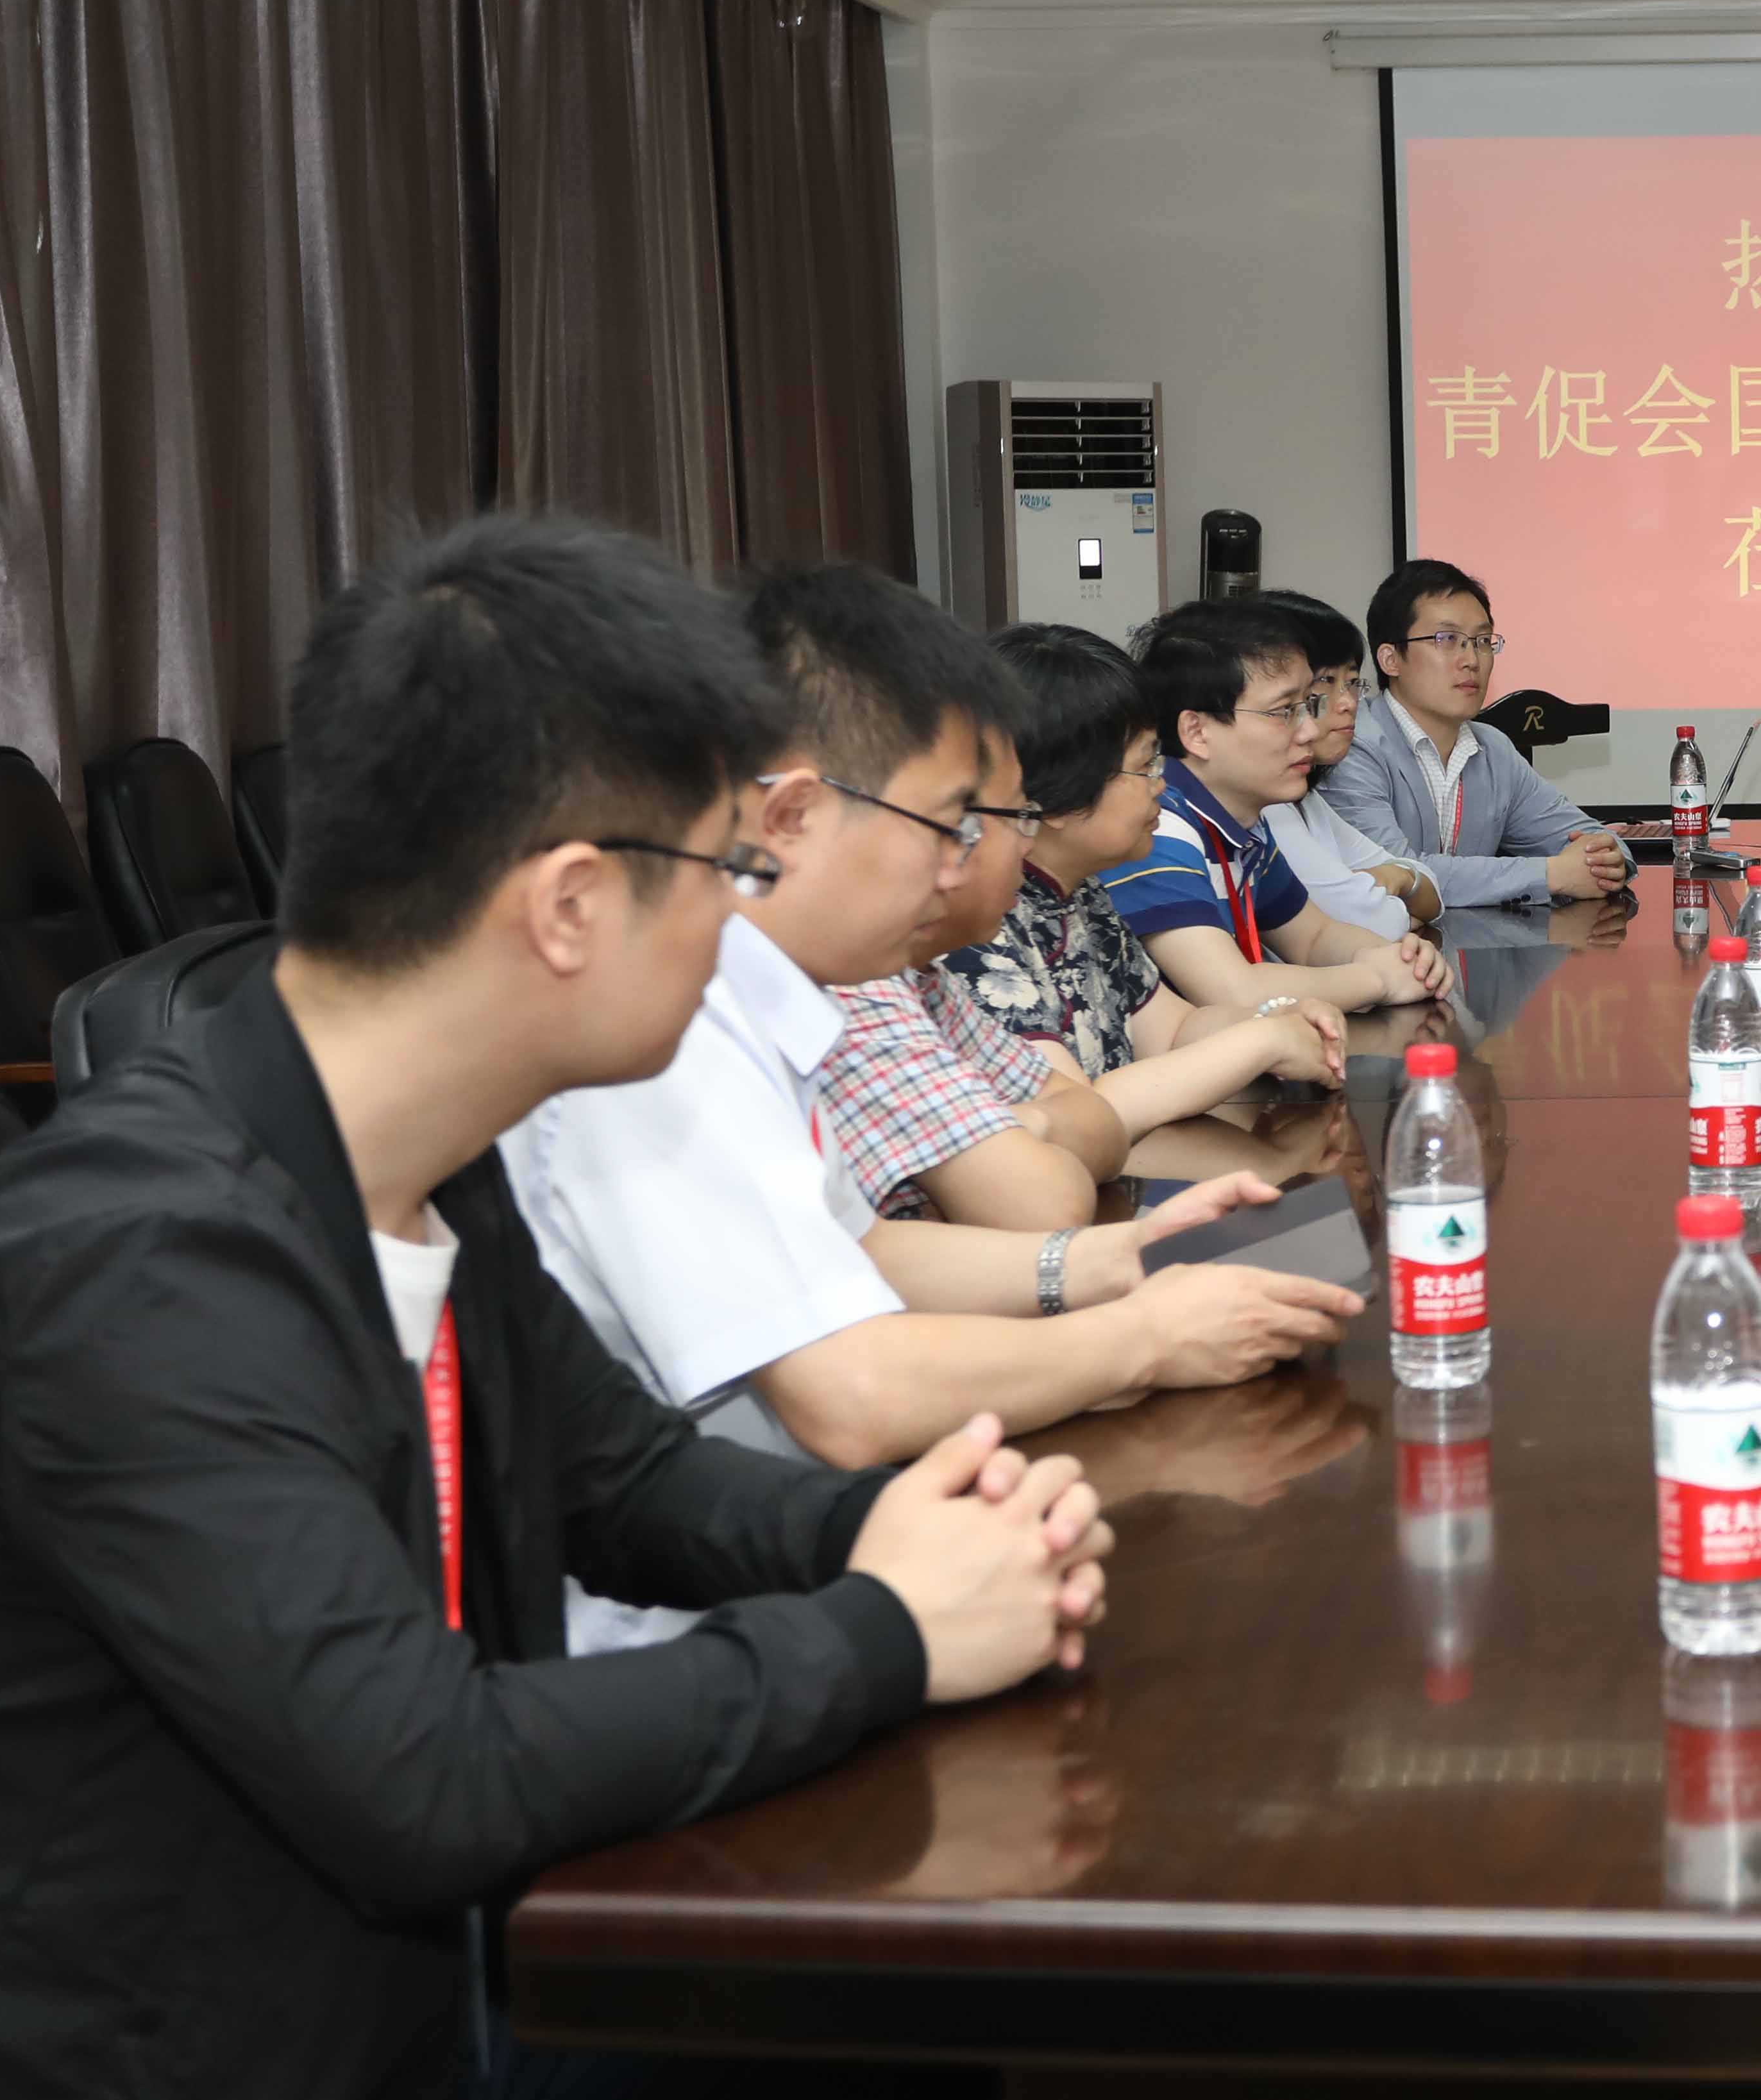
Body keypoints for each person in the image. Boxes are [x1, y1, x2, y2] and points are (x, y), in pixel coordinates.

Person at [0, 518, 1119, 2100]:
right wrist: (889, 1628)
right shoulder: (145, 1259)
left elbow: (632, 1482)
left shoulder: (411, 1158)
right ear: (568, 905)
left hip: (372, 2066)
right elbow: (427, 1773)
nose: (745, 923)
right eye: (726, 869)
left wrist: (913, 1525)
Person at [498, 567, 1363, 1559]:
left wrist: (1117, 1260)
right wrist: (1146, 1335)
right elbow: (851, 1397)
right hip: (703, 1577)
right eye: (953, 824)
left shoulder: (783, 982)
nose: (967, 867)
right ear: (794, 816)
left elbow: (857, 1247)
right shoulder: (658, 1017)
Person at [940, 622, 1349, 1118]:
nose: (1162, 786)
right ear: (1058, 795)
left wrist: (1277, 1019)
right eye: (1147, 765)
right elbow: (1072, 1116)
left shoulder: (1082, 894)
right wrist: (1263, 1042)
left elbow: (1172, 1030)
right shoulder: (974, 921)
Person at [820, 718, 1122, 1228]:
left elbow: (1102, 1127)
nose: (1027, 846)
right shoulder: (859, 988)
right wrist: (1016, 1138)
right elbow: (1042, 1204)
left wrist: (1018, 1127)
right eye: (1020, 817)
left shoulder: (922, 975)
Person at [1109, 600, 1455, 1017]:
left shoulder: (1243, 822)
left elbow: (1314, 938)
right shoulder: (1157, 828)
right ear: (1196, 732)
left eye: (1307, 706)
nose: (1309, 730)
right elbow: (1233, 992)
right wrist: (1378, 980)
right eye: (1284, 712)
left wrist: (1401, 960)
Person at [1320, 558, 1632, 907]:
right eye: (1447, 639)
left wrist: (1607, 859)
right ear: (1391, 659)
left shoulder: (1493, 748)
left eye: (1482, 641)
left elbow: (1595, 838)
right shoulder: (1351, 743)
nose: (1472, 659)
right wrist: (1551, 875)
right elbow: (1394, 876)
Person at [1255, 588, 1442, 937]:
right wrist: (1400, 899)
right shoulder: (1267, 804)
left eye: (1353, 682)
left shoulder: (1307, 799)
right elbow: (1374, 922)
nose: (1349, 702)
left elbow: (1433, 894)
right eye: (1326, 681)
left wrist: (1400, 878)